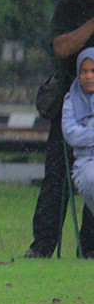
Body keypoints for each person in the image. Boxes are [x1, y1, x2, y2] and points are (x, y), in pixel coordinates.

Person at [25, 0, 94, 258]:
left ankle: (88, 248)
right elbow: (62, 47)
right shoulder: (69, 8)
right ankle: (42, 246)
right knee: (56, 176)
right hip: (70, 102)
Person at [61, 48, 94, 236]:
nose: (88, 76)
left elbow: (81, 133)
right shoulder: (71, 100)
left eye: (93, 71)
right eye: (84, 71)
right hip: (86, 163)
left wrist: (87, 131)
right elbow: (71, 134)